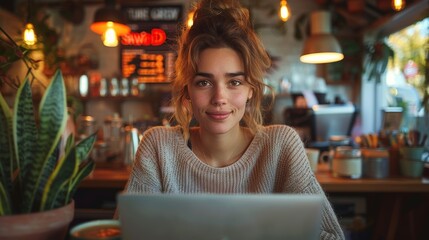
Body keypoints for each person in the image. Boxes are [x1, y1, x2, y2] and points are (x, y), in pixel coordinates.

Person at [119, 0, 344, 239]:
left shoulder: (281, 146)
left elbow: (330, 236)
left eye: (234, 82)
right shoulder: (158, 147)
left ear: (251, 89)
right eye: (204, 82)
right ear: (187, 91)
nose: (219, 98)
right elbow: (125, 234)